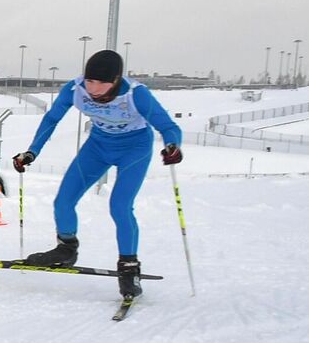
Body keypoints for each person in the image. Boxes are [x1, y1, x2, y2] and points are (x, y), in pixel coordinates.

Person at [10, 49, 183, 298]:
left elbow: (168, 126)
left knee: (120, 206)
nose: (94, 88)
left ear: (115, 80)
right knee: (63, 201)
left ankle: (129, 267)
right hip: (98, 147)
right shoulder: (75, 89)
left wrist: (172, 146)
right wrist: (32, 152)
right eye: (90, 81)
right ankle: (66, 248)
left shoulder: (136, 94)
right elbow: (51, 119)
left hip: (134, 149)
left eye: (102, 82)